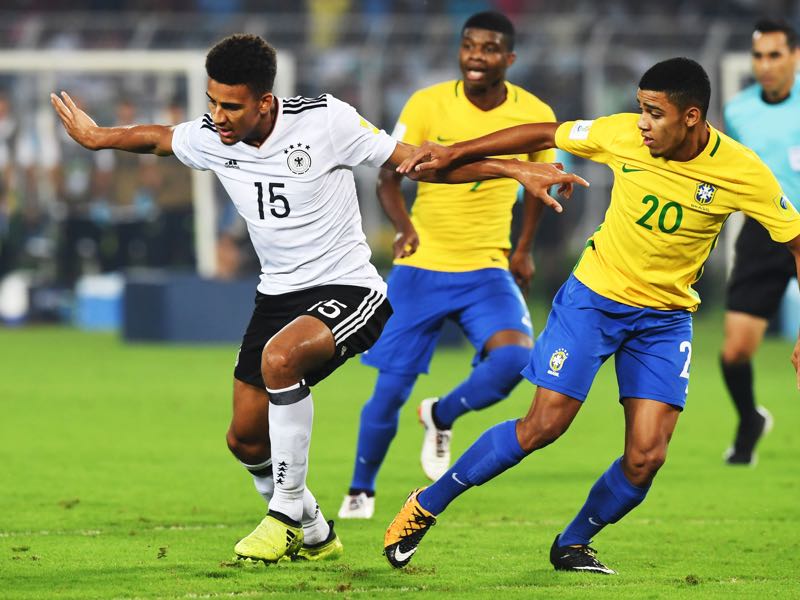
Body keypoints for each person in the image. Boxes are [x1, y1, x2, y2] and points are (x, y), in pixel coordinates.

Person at [50, 34, 585, 564]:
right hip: (276, 296)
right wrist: (99, 138)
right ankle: (315, 531)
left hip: (349, 288)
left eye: (230, 105)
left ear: (265, 102)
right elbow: (160, 138)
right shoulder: (215, 135)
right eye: (211, 102)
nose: (217, 115)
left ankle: (284, 515)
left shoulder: (326, 120)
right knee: (245, 441)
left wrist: (513, 167)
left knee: (281, 359)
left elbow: (419, 163)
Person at [383, 57, 800, 574]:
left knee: (647, 458)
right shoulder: (620, 134)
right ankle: (427, 504)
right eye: (640, 109)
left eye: (655, 113)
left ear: (692, 117)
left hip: (665, 320)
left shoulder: (742, 171)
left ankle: (573, 543)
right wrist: (456, 150)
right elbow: (545, 130)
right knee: (543, 426)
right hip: (594, 301)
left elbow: (795, 241)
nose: (641, 123)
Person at [338, 11, 556, 520]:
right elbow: (388, 176)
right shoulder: (427, 103)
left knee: (513, 362)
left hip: (486, 267)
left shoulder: (534, 113)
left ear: (510, 58)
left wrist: (521, 250)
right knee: (389, 389)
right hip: (423, 266)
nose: (477, 55)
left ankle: (441, 413)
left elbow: (540, 187)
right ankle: (360, 491)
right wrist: (403, 228)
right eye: (469, 45)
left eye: (490, 47)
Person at [719, 19, 800, 466]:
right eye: (759, 56)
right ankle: (749, 418)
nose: (765, 65)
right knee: (733, 353)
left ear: (795, 56)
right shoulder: (739, 111)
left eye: (775, 55)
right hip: (763, 233)